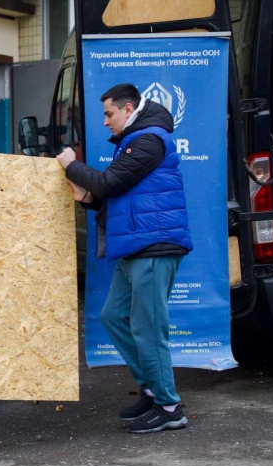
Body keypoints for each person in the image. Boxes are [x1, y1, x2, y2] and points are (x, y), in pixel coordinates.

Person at [56, 83, 193, 434]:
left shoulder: (149, 140)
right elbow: (117, 197)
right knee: (114, 315)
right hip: (136, 248)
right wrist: (87, 198)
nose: (105, 122)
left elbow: (110, 183)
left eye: (109, 113)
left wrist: (73, 166)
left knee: (149, 328)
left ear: (128, 108)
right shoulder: (135, 143)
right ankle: (152, 388)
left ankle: (169, 406)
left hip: (153, 248)